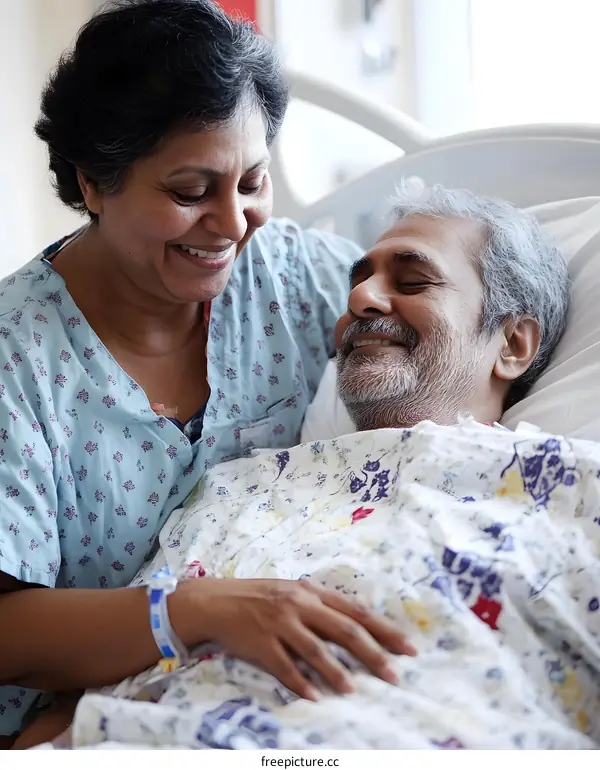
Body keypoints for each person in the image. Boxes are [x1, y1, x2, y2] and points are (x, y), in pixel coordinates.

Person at [0, 0, 413, 747]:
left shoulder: (293, 277)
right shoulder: (18, 364)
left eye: (253, 182)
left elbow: (443, 360)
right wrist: (192, 611)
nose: (232, 224)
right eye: (191, 193)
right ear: (94, 182)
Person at [302, 181, 570, 441]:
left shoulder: (550, 478)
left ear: (512, 345)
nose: (358, 297)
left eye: (413, 281)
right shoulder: (271, 469)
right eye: (357, 284)